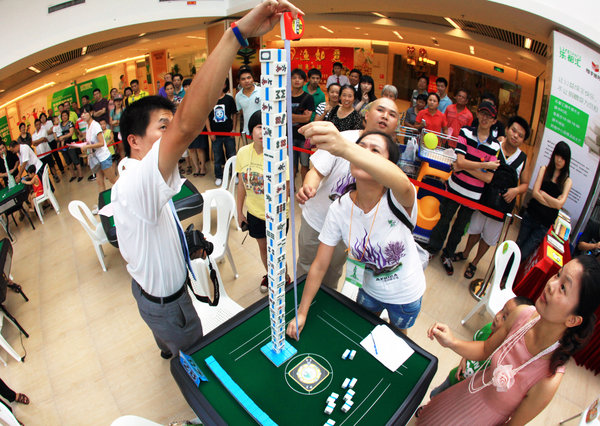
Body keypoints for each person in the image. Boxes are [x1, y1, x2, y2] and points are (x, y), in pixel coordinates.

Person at [112, 0, 303, 359]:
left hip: (155, 292)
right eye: (162, 128)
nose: (172, 136)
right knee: (193, 359)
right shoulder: (135, 184)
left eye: (169, 126)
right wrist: (237, 35)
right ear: (134, 141)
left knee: (169, 344)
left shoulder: (137, 183)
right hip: (168, 304)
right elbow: (187, 124)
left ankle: (167, 347)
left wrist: (179, 249)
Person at [418, 256, 600, 425]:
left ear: (573, 320)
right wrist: (452, 342)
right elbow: (484, 349)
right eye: (558, 275)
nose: (551, 285)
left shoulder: (548, 378)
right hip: (461, 395)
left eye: (563, 288)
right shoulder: (523, 315)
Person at [287, 127, 424, 336]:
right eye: (359, 148)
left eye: (374, 151)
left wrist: (346, 148)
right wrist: (302, 312)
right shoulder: (339, 208)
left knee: (398, 339)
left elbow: (402, 182)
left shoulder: (399, 198)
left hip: (405, 295)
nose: (362, 155)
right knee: (363, 334)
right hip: (368, 291)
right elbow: (319, 265)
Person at [296, 97, 401, 289]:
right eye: (381, 110)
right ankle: (299, 306)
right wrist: (308, 187)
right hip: (317, 220)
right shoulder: (343, 139)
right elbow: (317, 171)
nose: (385, 116)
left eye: (392, 114)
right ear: (366, 115)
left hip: (346, 231)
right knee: (306, 266)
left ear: (396, 125)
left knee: (332, 272)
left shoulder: (390, 160)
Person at [427, 101, 501, 275]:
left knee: (460, 228)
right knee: (444, 219)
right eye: (482, 113)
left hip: (473, 195)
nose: (484, 118)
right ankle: (433, 248)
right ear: (477, 114)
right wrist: (483, 164)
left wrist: (464, 166)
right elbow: (459, 162)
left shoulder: (495, 146)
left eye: (489, 116)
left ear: (494, 120)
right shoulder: (466, 132)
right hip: (454, 188)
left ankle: (448, 254)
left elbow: (489, 178)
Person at [458, 116, 531, 279]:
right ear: (507, 129)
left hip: (503, 204)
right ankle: (465, 253)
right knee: (475, 229)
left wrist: (515, 190)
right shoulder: (494, 146)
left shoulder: (523, 159)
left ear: (523, 140)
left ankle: (475, 262)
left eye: (520, 135)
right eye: (514, 131)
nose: (515, 136)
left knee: (489, 237)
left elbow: (525, 184)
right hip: (484, 197)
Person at [429, 296, 532, 398]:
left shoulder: (503, 359)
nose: (498, 316)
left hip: (465, 394)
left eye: (505, 317)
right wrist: (464, 358)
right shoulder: (488, 329)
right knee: (436, 395)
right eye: (502, 309)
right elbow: (474, 343)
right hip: (454, 377)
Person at [236, 111, 291, 293]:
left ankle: (284, 276)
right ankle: (271, 275)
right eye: (260, 127)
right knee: (264, 248)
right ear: (251, 130)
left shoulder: (280, 155)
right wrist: (239, 212)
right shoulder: (243, 153)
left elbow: (288, 188)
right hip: (254, 214)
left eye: (268, 128)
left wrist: (279, 213)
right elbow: (242, 185)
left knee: (277, 249)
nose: (263, 132)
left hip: (277, 215)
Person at [516, 141, 572, 261]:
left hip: (544, 225)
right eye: (557, 155)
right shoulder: (544, 169)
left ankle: (508, 277)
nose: (559, 160)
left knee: (525, 253)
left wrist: (545, 195)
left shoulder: (567, 181)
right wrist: (553, 202)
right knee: (517, 247)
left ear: (567, 161)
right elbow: (535, 193)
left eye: (563, 158)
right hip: (530, 215)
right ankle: (503, 273)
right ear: (553, 155)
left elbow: (559, 205)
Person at [78, 104, 118, 192]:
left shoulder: (95, 125)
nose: (83, 115)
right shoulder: (88, 126)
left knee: (112, 180)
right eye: (82, 113)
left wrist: (88, 146)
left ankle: (125, 196)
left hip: (103, 157)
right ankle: (103, 204)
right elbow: (91, 141)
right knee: (100, 182)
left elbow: (101, 143)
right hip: (95, 159)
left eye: (85, 113)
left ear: (91, 113)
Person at [207, 79, 237, 186]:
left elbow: (234, 115)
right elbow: (206, 118)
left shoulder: (229, 99)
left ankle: (234, 174)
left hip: (228, 133)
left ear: (224, 85)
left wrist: (233, 129)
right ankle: (219, 176)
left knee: (232, 154)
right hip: (215, 135)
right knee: (218, 156)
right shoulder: (210, 99)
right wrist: (210, 132)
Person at [290, 68, 314, 180]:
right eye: (294, 77)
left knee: (305, 164)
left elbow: (307, 118)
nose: (297, 80)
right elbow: (282, 117)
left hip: (304, 136)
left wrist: (289, 116)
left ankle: (305, 187)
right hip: (289, 135)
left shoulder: (308, 98)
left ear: (304, 81)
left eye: (300, 78)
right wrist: (300, 117)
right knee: (291, 164)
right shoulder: (285, 96)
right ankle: (291, 188)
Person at [235, 66, 261, 143]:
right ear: (239, 81)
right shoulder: (238, 96)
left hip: (263, 129)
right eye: (243, 79)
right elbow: (241, 112)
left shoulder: (262, 91)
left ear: (253, 78)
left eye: (249, 78)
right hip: (248, 131)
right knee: (250, 153)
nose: (246, 81)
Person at [57, 110, 83, 182]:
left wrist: (63, 137)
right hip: (63, 146)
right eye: (62, 116)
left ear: (68, 116)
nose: (64, 117)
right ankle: (73, 175)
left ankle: (80, 174)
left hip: (70, 144)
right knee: (68, 161)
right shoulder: (59, 125)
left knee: (75, 159)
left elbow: (71, 133)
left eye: (65, 115)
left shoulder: (70, 123)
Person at [31, 118, 59, 182]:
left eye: (39, 124)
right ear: (35, 125)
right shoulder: (33, 134)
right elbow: (34, 143)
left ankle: (55, 176)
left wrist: (37, 141)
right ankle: (47, 180)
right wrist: (40, 141)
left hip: (47, 151)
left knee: (51, 165)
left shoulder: (43, 130)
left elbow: (44, 139)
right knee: (44, 168)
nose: (38, 126)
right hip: (40, 154)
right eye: (36, 125)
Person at [40, 112, 64, 176]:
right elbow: (44, 134)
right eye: (41, 118)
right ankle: (54, 174)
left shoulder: (50, 122)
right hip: (47, 143)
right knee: (50, 158)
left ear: (45, 117)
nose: (43, 118)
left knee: (57, 155)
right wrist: (49, 131)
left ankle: (61, 169)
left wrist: (48, 132)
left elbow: (53, 130)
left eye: (43, 117)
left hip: (53, 140)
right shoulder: (41, 126)